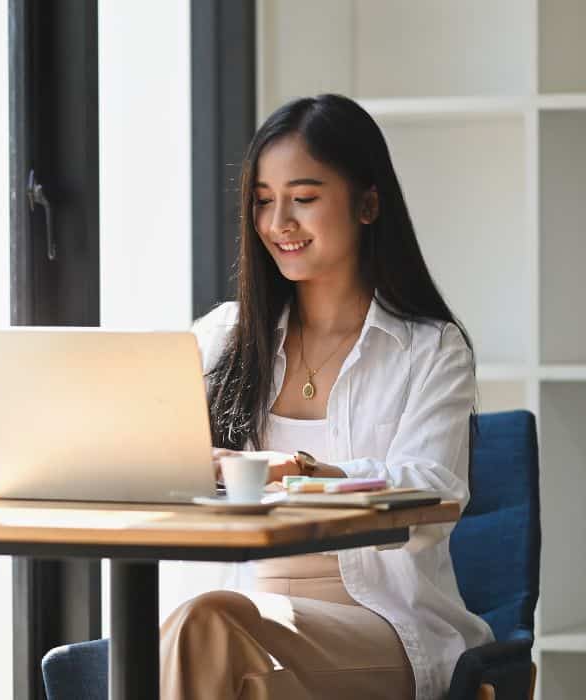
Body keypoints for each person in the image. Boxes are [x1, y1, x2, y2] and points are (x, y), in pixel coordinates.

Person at [159, 94, 493, 700]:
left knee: (206, 625)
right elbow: (146, 457)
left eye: (304, 198)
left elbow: (432, 487)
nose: (278, 222)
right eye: (263, 200)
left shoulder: (431, 349)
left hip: (382, 623)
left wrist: (297, 472)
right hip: (239, 608)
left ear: (368, 203)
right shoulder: (221, 339)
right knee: (203, 627)